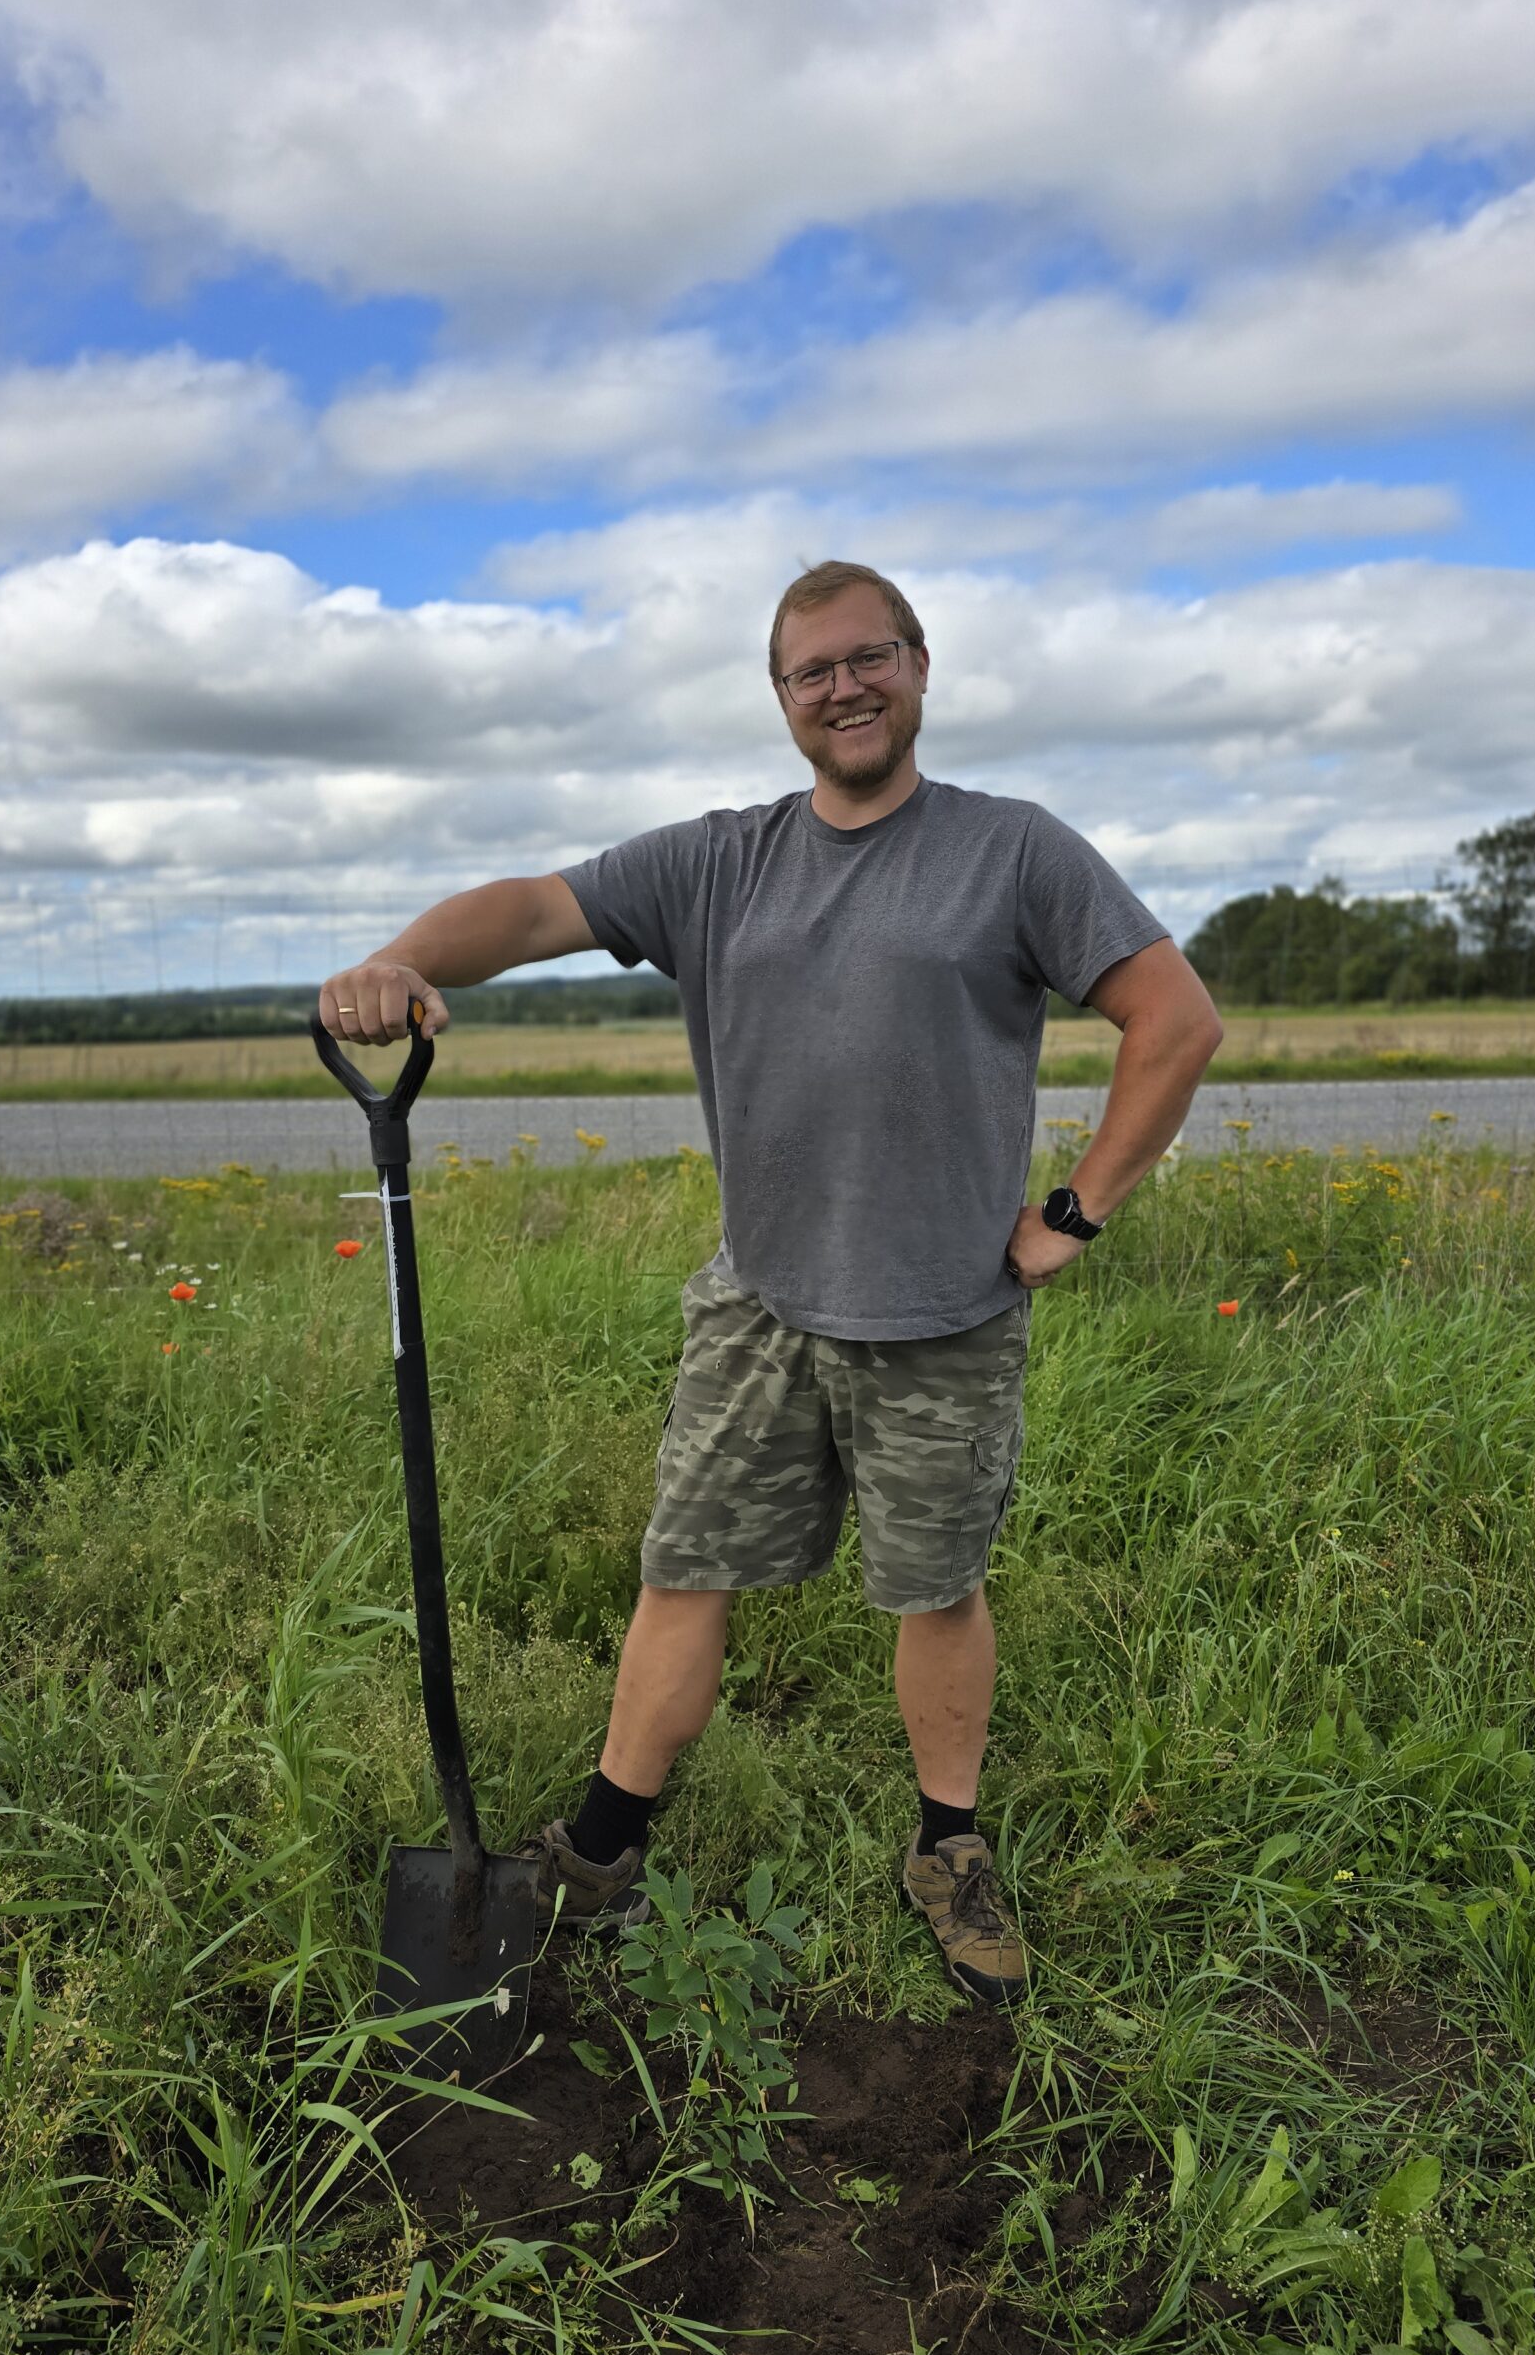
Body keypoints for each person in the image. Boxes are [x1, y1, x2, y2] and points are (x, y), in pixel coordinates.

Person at [320, 560, 1222, 2007]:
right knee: (682, 1572)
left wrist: (1076, 1211)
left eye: (872, 659)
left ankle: (948, 1846)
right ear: (783, 699)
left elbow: (1173, 1020)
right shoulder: (717, 861)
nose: (845, 689)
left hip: (945, 1315)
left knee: (937, 1586)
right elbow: (532, 910)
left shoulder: (1014, 852)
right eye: (813, 671)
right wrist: (400, 961)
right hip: (760, 1305)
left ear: (920, 668)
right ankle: (602, 1854)